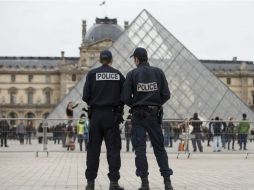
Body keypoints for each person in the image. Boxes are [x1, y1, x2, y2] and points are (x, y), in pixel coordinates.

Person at [121, 47, 173, 190]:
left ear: (136, 59)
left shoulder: (132, 74)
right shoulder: (158, 72)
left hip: (138, 115)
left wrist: (136, 105)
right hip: (154, 115)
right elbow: (166, 95)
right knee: (160, 149)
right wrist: (156, 104)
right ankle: (167, 182)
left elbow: (125, 97)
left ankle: (145, 183)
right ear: (147, 57)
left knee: (140, 150)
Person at [82, 50, 125, 190]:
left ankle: (90, 183)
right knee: (113, 150)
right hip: (112, 116)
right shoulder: (118, 75)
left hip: (95, 116)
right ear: (111, 60)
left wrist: (95, 103)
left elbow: (86, 96)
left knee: (93, 149)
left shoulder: (92, 74)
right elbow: (124, 96)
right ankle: (113, 183)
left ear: (100, 60)